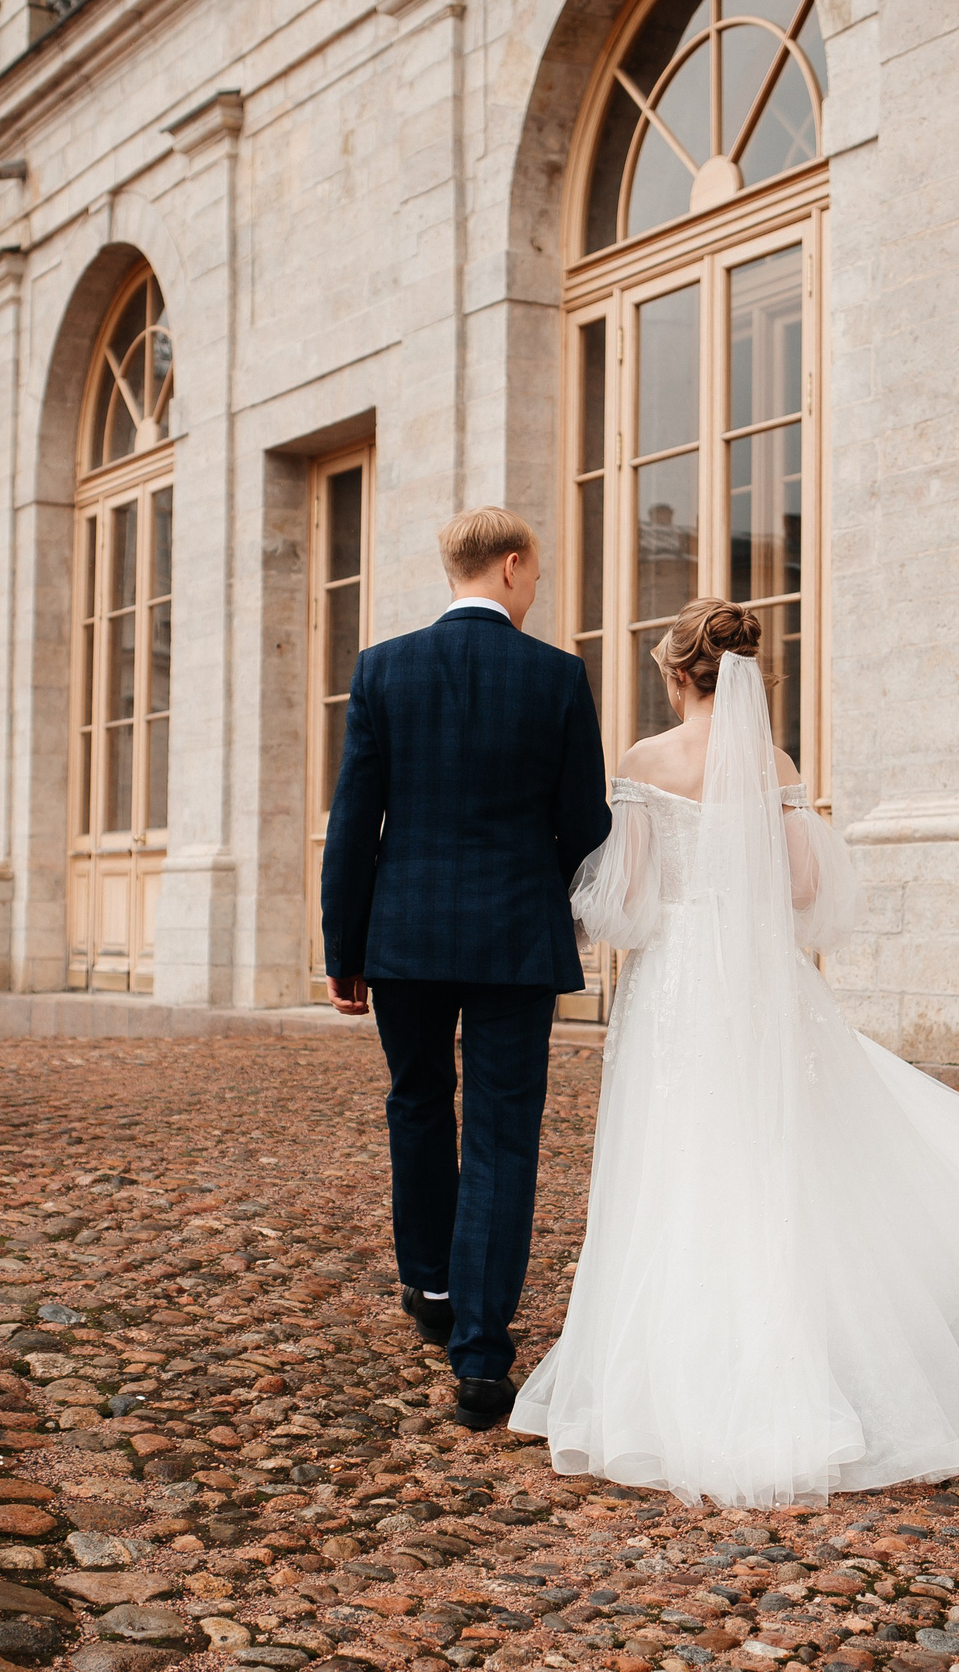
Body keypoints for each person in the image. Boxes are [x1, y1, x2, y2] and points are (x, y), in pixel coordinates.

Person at [508, 599, 959, 1506]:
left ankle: (682, 1368)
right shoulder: (775, 763)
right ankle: (831, 1356)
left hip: (677, 978)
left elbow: (625, 902)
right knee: (796, 1152)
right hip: (761, 973)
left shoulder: (642, 762)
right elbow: (800, 884)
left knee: (678, 1154)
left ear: (675, 674)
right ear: (748, 676)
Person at [320, 507, 612, 1431]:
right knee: (501, 1134)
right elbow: (586, 827)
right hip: (515, 940)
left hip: (402, 937)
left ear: (455, 572)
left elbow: (353, 825)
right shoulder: (557, 676)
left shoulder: (383, 669)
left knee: (415, 1101)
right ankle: (483, 1357)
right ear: (514, 568)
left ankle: (432, 1291)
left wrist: (344, 948)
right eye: (538, 574)